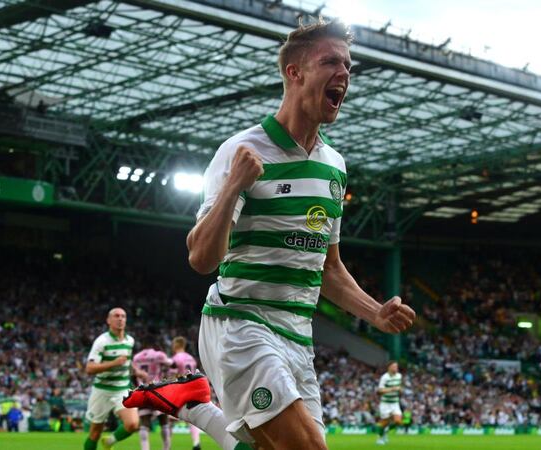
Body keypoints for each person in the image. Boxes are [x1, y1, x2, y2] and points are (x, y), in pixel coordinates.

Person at [124, 18, 416, 450]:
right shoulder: (242, 151)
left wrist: (374, 313)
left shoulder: (334, 166)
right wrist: (234, 187)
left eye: (349, 66)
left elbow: (328, 266)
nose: (344, 74)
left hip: (298, 334)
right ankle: (194, 403)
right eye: (331, 62)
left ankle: (192, 403)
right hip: (241, 322)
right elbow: (201, 259)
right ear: (293, 73)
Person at [83, 307, 146, 450]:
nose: (120, 319)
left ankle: (109, 442)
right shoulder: (101, 341)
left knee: (132, 424)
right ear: (108, 320)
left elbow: (126, 361)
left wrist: (136, 371)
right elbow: (89, 368)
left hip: (122, 389)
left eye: (123, 316)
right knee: (94, 434)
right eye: (116, 316)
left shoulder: (130, 340)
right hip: (102, 391)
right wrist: (113, 363)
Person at [133, 345, 173, 450]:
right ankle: (166, 448)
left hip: (142, 391)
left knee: (144, 423)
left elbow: (133, 373)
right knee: (164, 421)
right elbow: (171, 363)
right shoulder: (158, 355)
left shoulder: (137, 357)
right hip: (157, 391)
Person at [169, 337, 202, 450]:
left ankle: (166, 447)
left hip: (180, 391)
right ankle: (196, 443)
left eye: (173, 344)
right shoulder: (191, 358)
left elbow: (172, 376)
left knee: (169, 418)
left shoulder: (175, 358)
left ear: (177, 345)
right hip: (192, 390)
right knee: (192, 418)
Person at [375, 361, 403, 445]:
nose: (396, 368)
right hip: (385, 403)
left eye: (396, 366)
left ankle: (386, 431)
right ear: (389, 367)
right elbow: (379, 391)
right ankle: (380, 438)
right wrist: (391, 389)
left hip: (395, 402)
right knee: (384, 422)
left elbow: (399, 387)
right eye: (394, 366)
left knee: (398, 421)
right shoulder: (384, 377)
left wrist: (400, 390)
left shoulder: (399, 376)